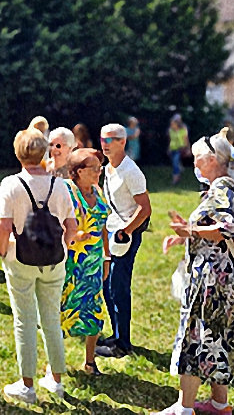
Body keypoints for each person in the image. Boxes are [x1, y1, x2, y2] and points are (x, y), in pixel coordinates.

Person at [155, 131, 234, 415]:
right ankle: (219, 404)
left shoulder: (222, 188)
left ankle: (184, 408)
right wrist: (185, 235)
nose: (193, 163)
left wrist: (191, 230)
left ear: (212, 159)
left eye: (197, 158)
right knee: (218, 335)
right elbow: (216, 228)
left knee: (196, 335)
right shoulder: (223, 187)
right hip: (220, 276)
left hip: (210, 278)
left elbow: (228, 227)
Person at [0, 128, 78, 404]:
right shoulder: (60, 185)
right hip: (54, 259)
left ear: (18, 153)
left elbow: (4, 226)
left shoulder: (10, 184)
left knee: (24, 320)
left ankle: (27, 385)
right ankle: (56, 380)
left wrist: (2, 251)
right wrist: (64, 246)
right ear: (44, 153)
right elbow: (72, 226)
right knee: (52, 319)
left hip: (20, 257)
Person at [96, 124, 152, 358]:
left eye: (110, 140)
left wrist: (126, 230)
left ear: (123, 141)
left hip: (125, 235)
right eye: (102, 139)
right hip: (112, 231)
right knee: (107, 285)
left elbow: (145, 208)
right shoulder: (108, 168)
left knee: (118, 287)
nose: (105, 144)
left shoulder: (131, 171)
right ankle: (117, 334)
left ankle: (123, 344)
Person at [61, 148, 109, 375]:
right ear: (78, 171)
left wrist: (107, 258)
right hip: (71, 262)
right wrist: (73, 235)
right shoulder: (66, 192)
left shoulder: (97, 191)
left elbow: (104, 227)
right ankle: (55, 364)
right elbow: (54, 222)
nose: (99, 171)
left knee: (94, 311)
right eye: (94, 168)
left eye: (100, 167)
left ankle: (90, 362)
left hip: (94, 263)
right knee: (63, 310)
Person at [167, 116, 189, 185]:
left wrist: (188, 148)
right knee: (175, 163)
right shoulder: (170, 131)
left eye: (173, 124)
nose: (171, 125)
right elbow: (170, 140)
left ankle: (175, 179)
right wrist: (169, 148)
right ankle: (179, 171)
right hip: (173, 148)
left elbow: (186, 140)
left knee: (175, 164)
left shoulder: (183, 130)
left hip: (180, 149)